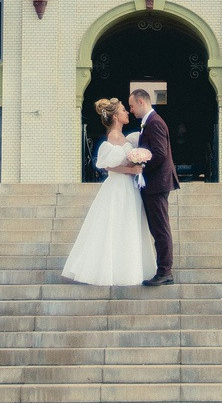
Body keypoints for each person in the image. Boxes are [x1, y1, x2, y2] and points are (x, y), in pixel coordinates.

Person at [60, 97, 154, 287]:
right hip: (118, 187)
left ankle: (126, 268)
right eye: (123, 110)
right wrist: (131, 170)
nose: (127, 112)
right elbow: (108, 167)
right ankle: (115, 270)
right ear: (115, 116)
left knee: (126, 225)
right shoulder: (113, 138)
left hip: (128, 187)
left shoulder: (124, 138)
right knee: (116, 225)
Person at [128, 85, 178, 286]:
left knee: (160, 229)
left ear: (141, 102)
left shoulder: (154, 123)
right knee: (158, 228)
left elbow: (159, 153)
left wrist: (141, 165)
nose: (131, 110)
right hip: (154, 184)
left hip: (157, 183)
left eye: (132, 105)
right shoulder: (149, 122)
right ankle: (163, 269)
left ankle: (165, 271)